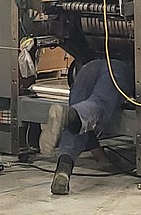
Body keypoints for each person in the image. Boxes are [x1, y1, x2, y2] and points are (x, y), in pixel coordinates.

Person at [39, 58, 134, 195]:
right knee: (98, 106)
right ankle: (67, 115)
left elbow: (85, 128)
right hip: (118, 69)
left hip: (88, 67)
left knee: (77, 121)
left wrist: (99, 155)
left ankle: (63, 170)